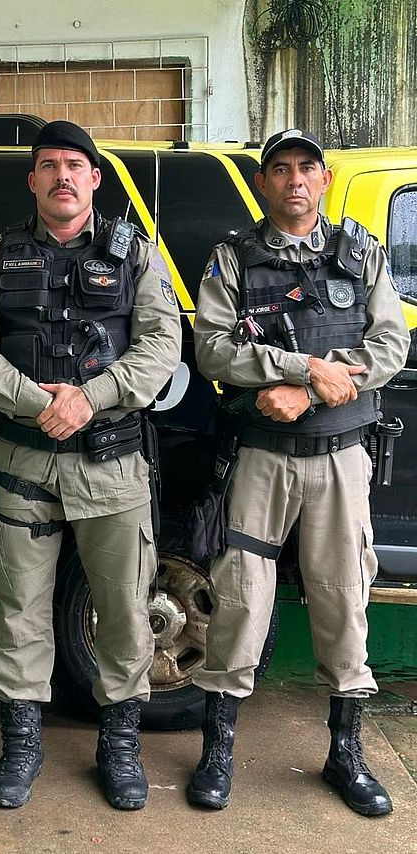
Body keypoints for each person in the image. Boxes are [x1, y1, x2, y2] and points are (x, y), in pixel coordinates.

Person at [0, 120, 182, 810]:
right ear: (33, 180)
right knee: (18, 612)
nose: (62, 176)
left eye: (75, 165)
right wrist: (34, 401)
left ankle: (120, 746)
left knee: (124, 613)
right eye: (48, 165)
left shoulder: (135, 254)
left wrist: (91, 398)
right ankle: (21, 745)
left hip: (112, 468)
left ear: (95, 179)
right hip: (22, 460)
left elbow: (162, 347)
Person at [189, 128, 410, 816]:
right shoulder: (233, 258)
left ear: (322, 179)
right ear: (264, 184)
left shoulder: (361, 253)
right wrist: (297, 367)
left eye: (305, 169)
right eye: (279, 169)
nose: (293, 180)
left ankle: (345, 754)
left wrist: (309, 391)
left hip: (341, 459)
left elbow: (391, 343)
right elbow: (213, 350)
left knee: (344, 599)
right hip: (261, 459)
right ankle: (218, 749)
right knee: (240, 601)